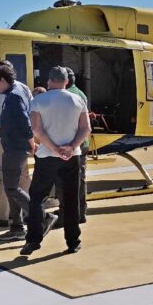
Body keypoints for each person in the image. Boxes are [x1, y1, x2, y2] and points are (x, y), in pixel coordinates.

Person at [21, 67, 91, 256]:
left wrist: (53, 148)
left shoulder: (38, 100)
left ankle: (33, 240)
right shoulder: (78, 100)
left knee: (37, 198)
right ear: (66, 82)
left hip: (46, 156)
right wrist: (70, 147)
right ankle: (73, 241)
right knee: (70, 199)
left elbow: (36, 130)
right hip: (72, 155)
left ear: (49, 81)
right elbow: (86, 129)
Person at [0, 60, 32, 226]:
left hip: (3, 140)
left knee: (6, 178)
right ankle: (24, 215)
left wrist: (3, 133)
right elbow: (31, 113)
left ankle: (5, 216)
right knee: (23, 177)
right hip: (22, 140)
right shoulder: (24, 88)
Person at [0, 65, 36, 241]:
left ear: (3, 80)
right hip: (13, 147)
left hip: (15, 148)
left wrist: (32, 143)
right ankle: (17, 226)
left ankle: (41, 215)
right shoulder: (15, 93)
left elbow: (25, 122)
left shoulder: (13, 97)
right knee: (12, 187)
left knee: (11, 187)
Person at [65, 67, 89, 224]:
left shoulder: (67, 96)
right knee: (81, 177)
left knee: (69, 180)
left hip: (72, 144)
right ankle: (82, 210)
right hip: (83, 142)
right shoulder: (81, 93)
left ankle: (72, 212)